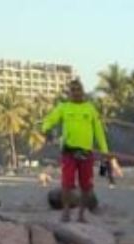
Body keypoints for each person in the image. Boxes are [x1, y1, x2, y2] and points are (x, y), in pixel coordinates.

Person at [40, 78, 110, 223]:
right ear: (69, 93)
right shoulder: (63, 107)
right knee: (67, 183)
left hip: (85, 152)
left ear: (83, 92)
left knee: (86, 185)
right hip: (69, 152)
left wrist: (104, 149)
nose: (76, 93)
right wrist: (46, 129)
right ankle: (65, 212)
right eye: (73, 90)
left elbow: (99, 130)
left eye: (78, 90)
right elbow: (49, 120)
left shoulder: (90, 108)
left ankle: (81, 214)